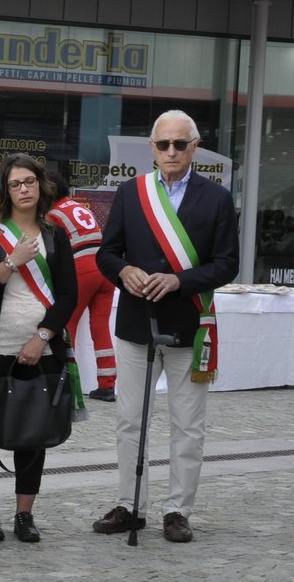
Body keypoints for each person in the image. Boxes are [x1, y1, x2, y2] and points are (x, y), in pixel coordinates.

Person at [94, 110, 238, 544]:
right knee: (128, 420)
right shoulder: (130, 193)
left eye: (180, 144)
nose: (171, 152)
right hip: (137, 323)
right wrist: (123, 272)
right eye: (163, 145)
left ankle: (177, 509)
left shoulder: (216, 198)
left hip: (188, 322)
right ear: (152, 149)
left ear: (194, 147)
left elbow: (226, 263)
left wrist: (180, 280)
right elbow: (106, 252)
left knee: (188, 424)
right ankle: (129, 504)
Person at [0, 155, 77, 544]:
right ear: (4, 191)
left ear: (41, 185)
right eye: (15, 184)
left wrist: (42, 336)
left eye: (29, 182)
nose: (23, 189)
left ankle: (25, 514)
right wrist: (12, 261)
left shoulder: (56, 234)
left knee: (34, 428)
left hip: (41, 347)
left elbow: (68, 295)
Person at [45, 168, 117, 401]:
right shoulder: (78, 207)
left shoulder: (53, 214)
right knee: (101, 328)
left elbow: (50, 252)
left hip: (82, 267)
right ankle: (107, 384)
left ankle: (65, 382)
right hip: (104, 269)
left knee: (68, 325)